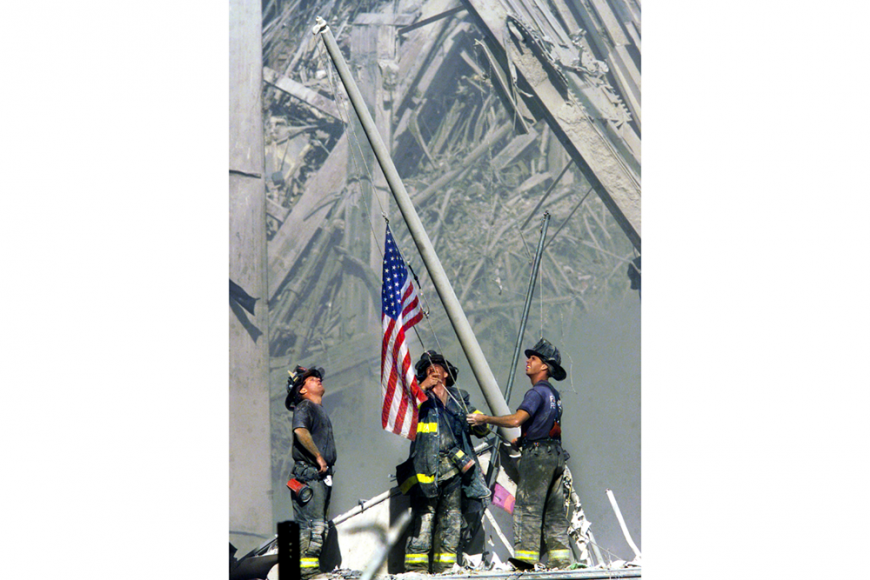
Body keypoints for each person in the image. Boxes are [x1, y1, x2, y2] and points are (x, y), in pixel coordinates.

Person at [466, 338, 572, 569]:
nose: (528, 361)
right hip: (555, 456)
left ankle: (525, 560)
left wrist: (484, 418)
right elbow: (547, 425)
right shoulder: (554, 395)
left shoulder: (536, 392)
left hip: (537, 457)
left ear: (544, 366)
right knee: (554, 511)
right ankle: (562, 561)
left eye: (533, 358)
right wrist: (523, 440)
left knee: (527, 508)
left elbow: (516, 419)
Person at [398, 351, 491, 573]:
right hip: (425, 469)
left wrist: (479, 422)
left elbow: (483, 428)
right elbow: (403, 413)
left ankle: (445, 568)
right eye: (427, 367)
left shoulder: (460, 399)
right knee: (424, 518)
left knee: (452, 520)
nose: (432, 369)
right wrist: (421, 387)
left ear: (446, 373)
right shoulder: (417, 398)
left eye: (436, 365)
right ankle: (416, 569)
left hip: (455, 470)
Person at [285, 365, 337, 578]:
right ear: (302, 390)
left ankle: (311, 571)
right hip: (310, 475)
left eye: (318, 377)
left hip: (320, 477)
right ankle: (307, 573)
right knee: (311, 527)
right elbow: (300, 431)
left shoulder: (318, 409)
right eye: (311, 379)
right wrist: (317, 456)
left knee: (319, 526)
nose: (318, 379)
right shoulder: (305, 406)